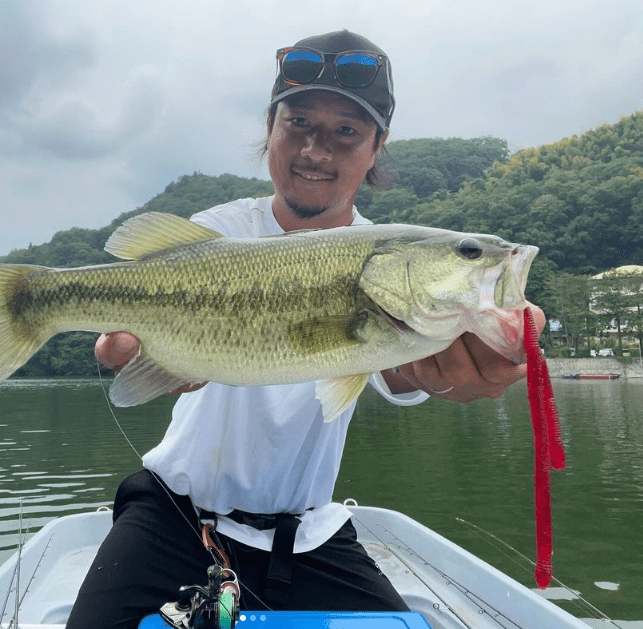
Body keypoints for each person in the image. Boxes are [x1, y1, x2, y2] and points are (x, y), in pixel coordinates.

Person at [66, 30, 545, 629]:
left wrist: (451, 374)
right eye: (298, 123)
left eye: (347, 130)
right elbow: (125, 330)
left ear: (377, 148)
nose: (318, 149)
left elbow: (397, 373)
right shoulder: (220, 230)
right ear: (270, 128)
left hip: (309, 532)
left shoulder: (385, 265)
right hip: (171, 512)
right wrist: (125, 352)